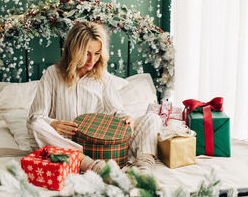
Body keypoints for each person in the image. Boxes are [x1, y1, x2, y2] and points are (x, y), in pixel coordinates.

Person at [27, 21, 162, 173]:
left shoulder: (103, 77)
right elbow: (35, 117)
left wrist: (127, 118)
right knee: (35, 125)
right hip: (66, 143)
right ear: (73, 50)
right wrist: (52, 124)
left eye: (97, 53)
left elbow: (117, 111)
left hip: (103, 144)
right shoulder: (52, 74)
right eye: (86, 53)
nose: (92, 60)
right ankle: (91, 165)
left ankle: (143, 168)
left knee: (153, 118)